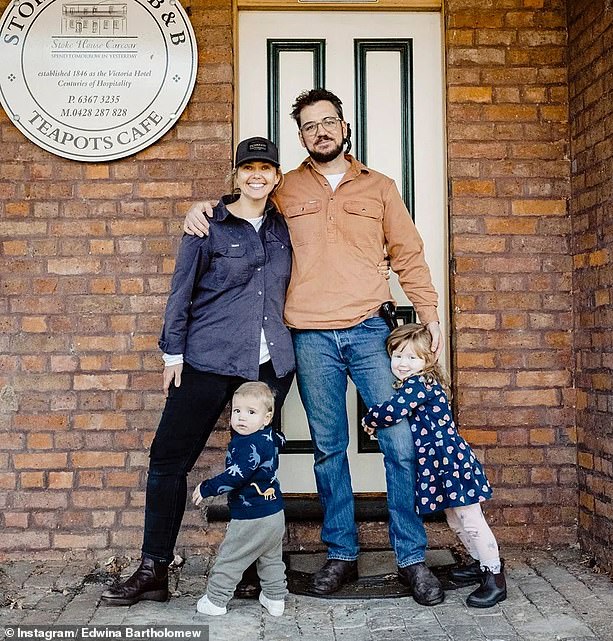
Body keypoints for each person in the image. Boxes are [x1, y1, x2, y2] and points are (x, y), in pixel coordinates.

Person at [183, 88, 445, 606]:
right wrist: (204, 208)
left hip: (371, 331)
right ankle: (341, 554)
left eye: (328, 122)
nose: (320, 131)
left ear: (344, 127)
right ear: (301, 136)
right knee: (329, 449)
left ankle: (412, 558)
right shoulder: (286, 188)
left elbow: (409, 253)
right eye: (309, 125)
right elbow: (244, 206)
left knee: (398, 444)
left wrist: (430, 315)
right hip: (309, 334)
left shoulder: (381, 187)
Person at [101, 137, 295, 606]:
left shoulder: (285, 227)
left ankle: (250, 570)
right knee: (169, 460)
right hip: (208, 357)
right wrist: (173, 354)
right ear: (236, 175)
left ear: (276, 177)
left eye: (265, 168)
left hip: (270, 364)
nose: (257, 175)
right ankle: (153, 569)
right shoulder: (206, 225)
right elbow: (180, 290)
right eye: (248, 167)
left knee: (257, 463)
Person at [362, 323, 506, 608]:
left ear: (427, 360)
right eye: (398, 356)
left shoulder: (420, 384)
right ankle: (479, 564)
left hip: (449, 461)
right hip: (439, 462)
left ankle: (495, 575)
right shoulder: (415, 382)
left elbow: (394, 410)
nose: (403, 364)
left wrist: (370, 420)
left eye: (412, 358)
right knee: (454, 518)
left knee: (471, 519)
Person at [192, 382, 288, 617]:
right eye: (237, 411)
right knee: (271, 558)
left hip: (251, 516)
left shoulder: (247, 444)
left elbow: (238, 475)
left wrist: (207, 488)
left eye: (251, 412)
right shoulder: (270, 437)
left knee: (231, 557)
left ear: (266, 418)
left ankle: (215, 600)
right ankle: (276, 599)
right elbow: (281, 440)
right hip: (275, 513)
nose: (242, 417)